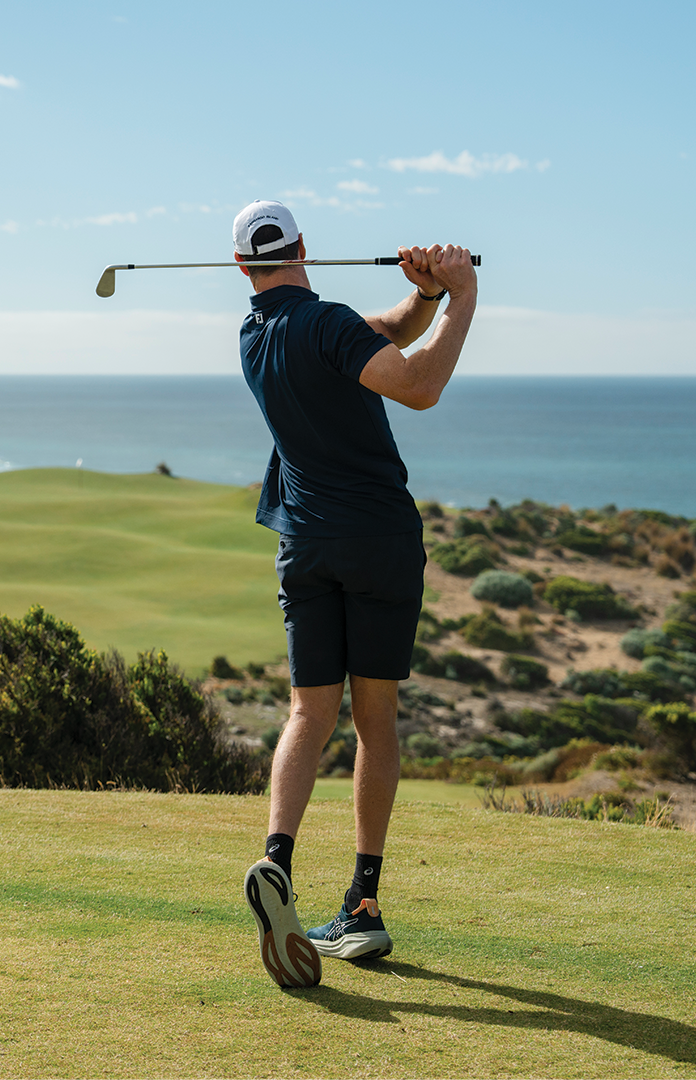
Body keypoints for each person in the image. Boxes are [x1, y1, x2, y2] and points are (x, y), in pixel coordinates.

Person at [230, 199, 477, 989]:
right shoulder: (327, 324)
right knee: (376, 722)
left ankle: (278, 862)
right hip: (377, 544)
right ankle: (363, 903)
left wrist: (425, 296)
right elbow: (418, 385)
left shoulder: (256, 337)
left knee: (309, 711)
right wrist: (465, 297)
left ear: (241, 267)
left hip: (304, 547)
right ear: (305, 245)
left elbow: (379, 336)